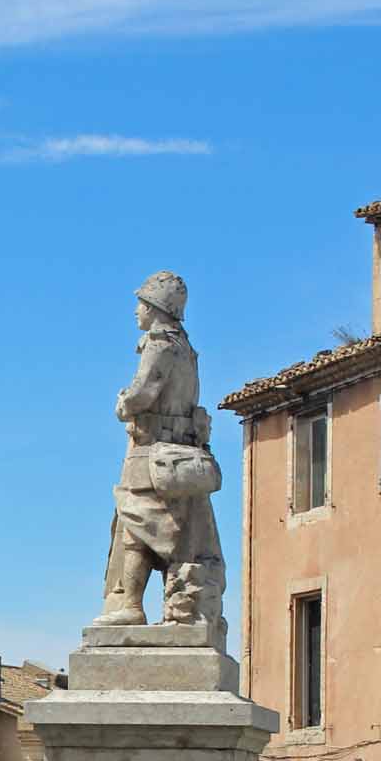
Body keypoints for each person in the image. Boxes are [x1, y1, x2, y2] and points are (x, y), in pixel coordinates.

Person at [91, 270, 227, 632]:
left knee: (134, 522)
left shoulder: (160, 345)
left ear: (155, 306)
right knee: (177, 530)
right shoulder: (186, 349)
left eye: (141, 303)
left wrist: (123, 403)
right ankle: (175, 606)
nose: (136, 311)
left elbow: (142, 394)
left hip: (151, 450)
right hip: (182, 452)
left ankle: (131, 605)